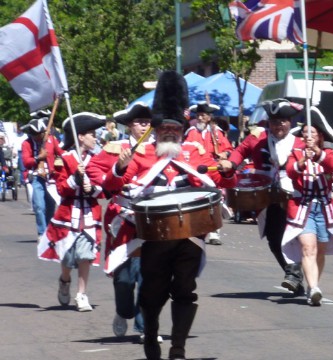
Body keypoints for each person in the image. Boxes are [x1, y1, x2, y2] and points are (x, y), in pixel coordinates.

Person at [103, 71, 237, 360]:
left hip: (190, 234)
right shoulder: (140, 153)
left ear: (182, 130)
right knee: (153, 292)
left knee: (185, 289)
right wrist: (119, 168)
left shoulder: (194, 152)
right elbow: (110, 187)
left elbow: (220, 179)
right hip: (153, 236)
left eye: (174, 128)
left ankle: (178, 347)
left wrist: (227, 169)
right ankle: (151, 334)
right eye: (164, 128)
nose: (169, 132)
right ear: (156, 129)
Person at [86, 102, 160, 342]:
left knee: (149, 276)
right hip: (123, 217)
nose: (144, 126)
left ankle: (146, 327)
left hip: (152, 218)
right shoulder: (115, 148)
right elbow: (94, 170)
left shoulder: (159, 149)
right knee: (124, 278)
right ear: (129, 125)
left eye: (148, 122)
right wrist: (114, 176)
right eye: (140, 122)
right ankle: (123, 311)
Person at [228, 99, 307, 295]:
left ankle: (294, 275)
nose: (277, 126)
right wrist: (230, 163)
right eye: (273, 122)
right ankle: (293, 275)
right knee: (274, 238)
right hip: (265, 194)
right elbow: (240, 151)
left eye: (282, 122)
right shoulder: (257, 138)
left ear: (289, 122)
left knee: (292, 235)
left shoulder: (300, 143)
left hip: (293, 194)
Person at [36, 113, 106, 313]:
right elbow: (60, 189)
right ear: (80, 136)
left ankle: (81, 294)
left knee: (86, 254)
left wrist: (92, 188)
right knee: (67, 257)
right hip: (68, 214)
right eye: (92, 134)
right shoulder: (64, 159)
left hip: (90, 214)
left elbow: (104, 188)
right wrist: (75, 179)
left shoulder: (97, 159)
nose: (96, 138)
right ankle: (65, 280)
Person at [281, 107, 333, 306]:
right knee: (308, 247)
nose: (308, 136)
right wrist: (303, 160)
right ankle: (315, 288)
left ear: (319, 136)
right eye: (305, 133)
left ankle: (312, 286)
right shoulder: (295, 153)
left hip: (324, 207)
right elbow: (290, 171)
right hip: (303, 206)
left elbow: (331, 166)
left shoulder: (328, 153)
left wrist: (316, 153)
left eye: (312, 133)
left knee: (320, 250)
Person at [184, 101, 233, 245]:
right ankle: (197, 230)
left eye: (203, 115)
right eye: (198, 115)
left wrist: (224, 154)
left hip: (212, 170)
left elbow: (229, 149)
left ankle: (214, 233)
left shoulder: (217, 133)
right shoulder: (191, 132)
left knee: (215, 201)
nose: (200, 118)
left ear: (209, 117)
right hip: (195, 172)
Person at [21, 111, 63, 237]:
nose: (37, 137)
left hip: (51, 178)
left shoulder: (51, 140)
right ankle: (42, 233)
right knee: (39, 207)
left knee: (50, 207)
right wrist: (38, 158)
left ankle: (48, 232)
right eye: (34, 135)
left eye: (39, 134)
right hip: (36, 178)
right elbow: (26, 162)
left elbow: (61, 153)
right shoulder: (26, 144)